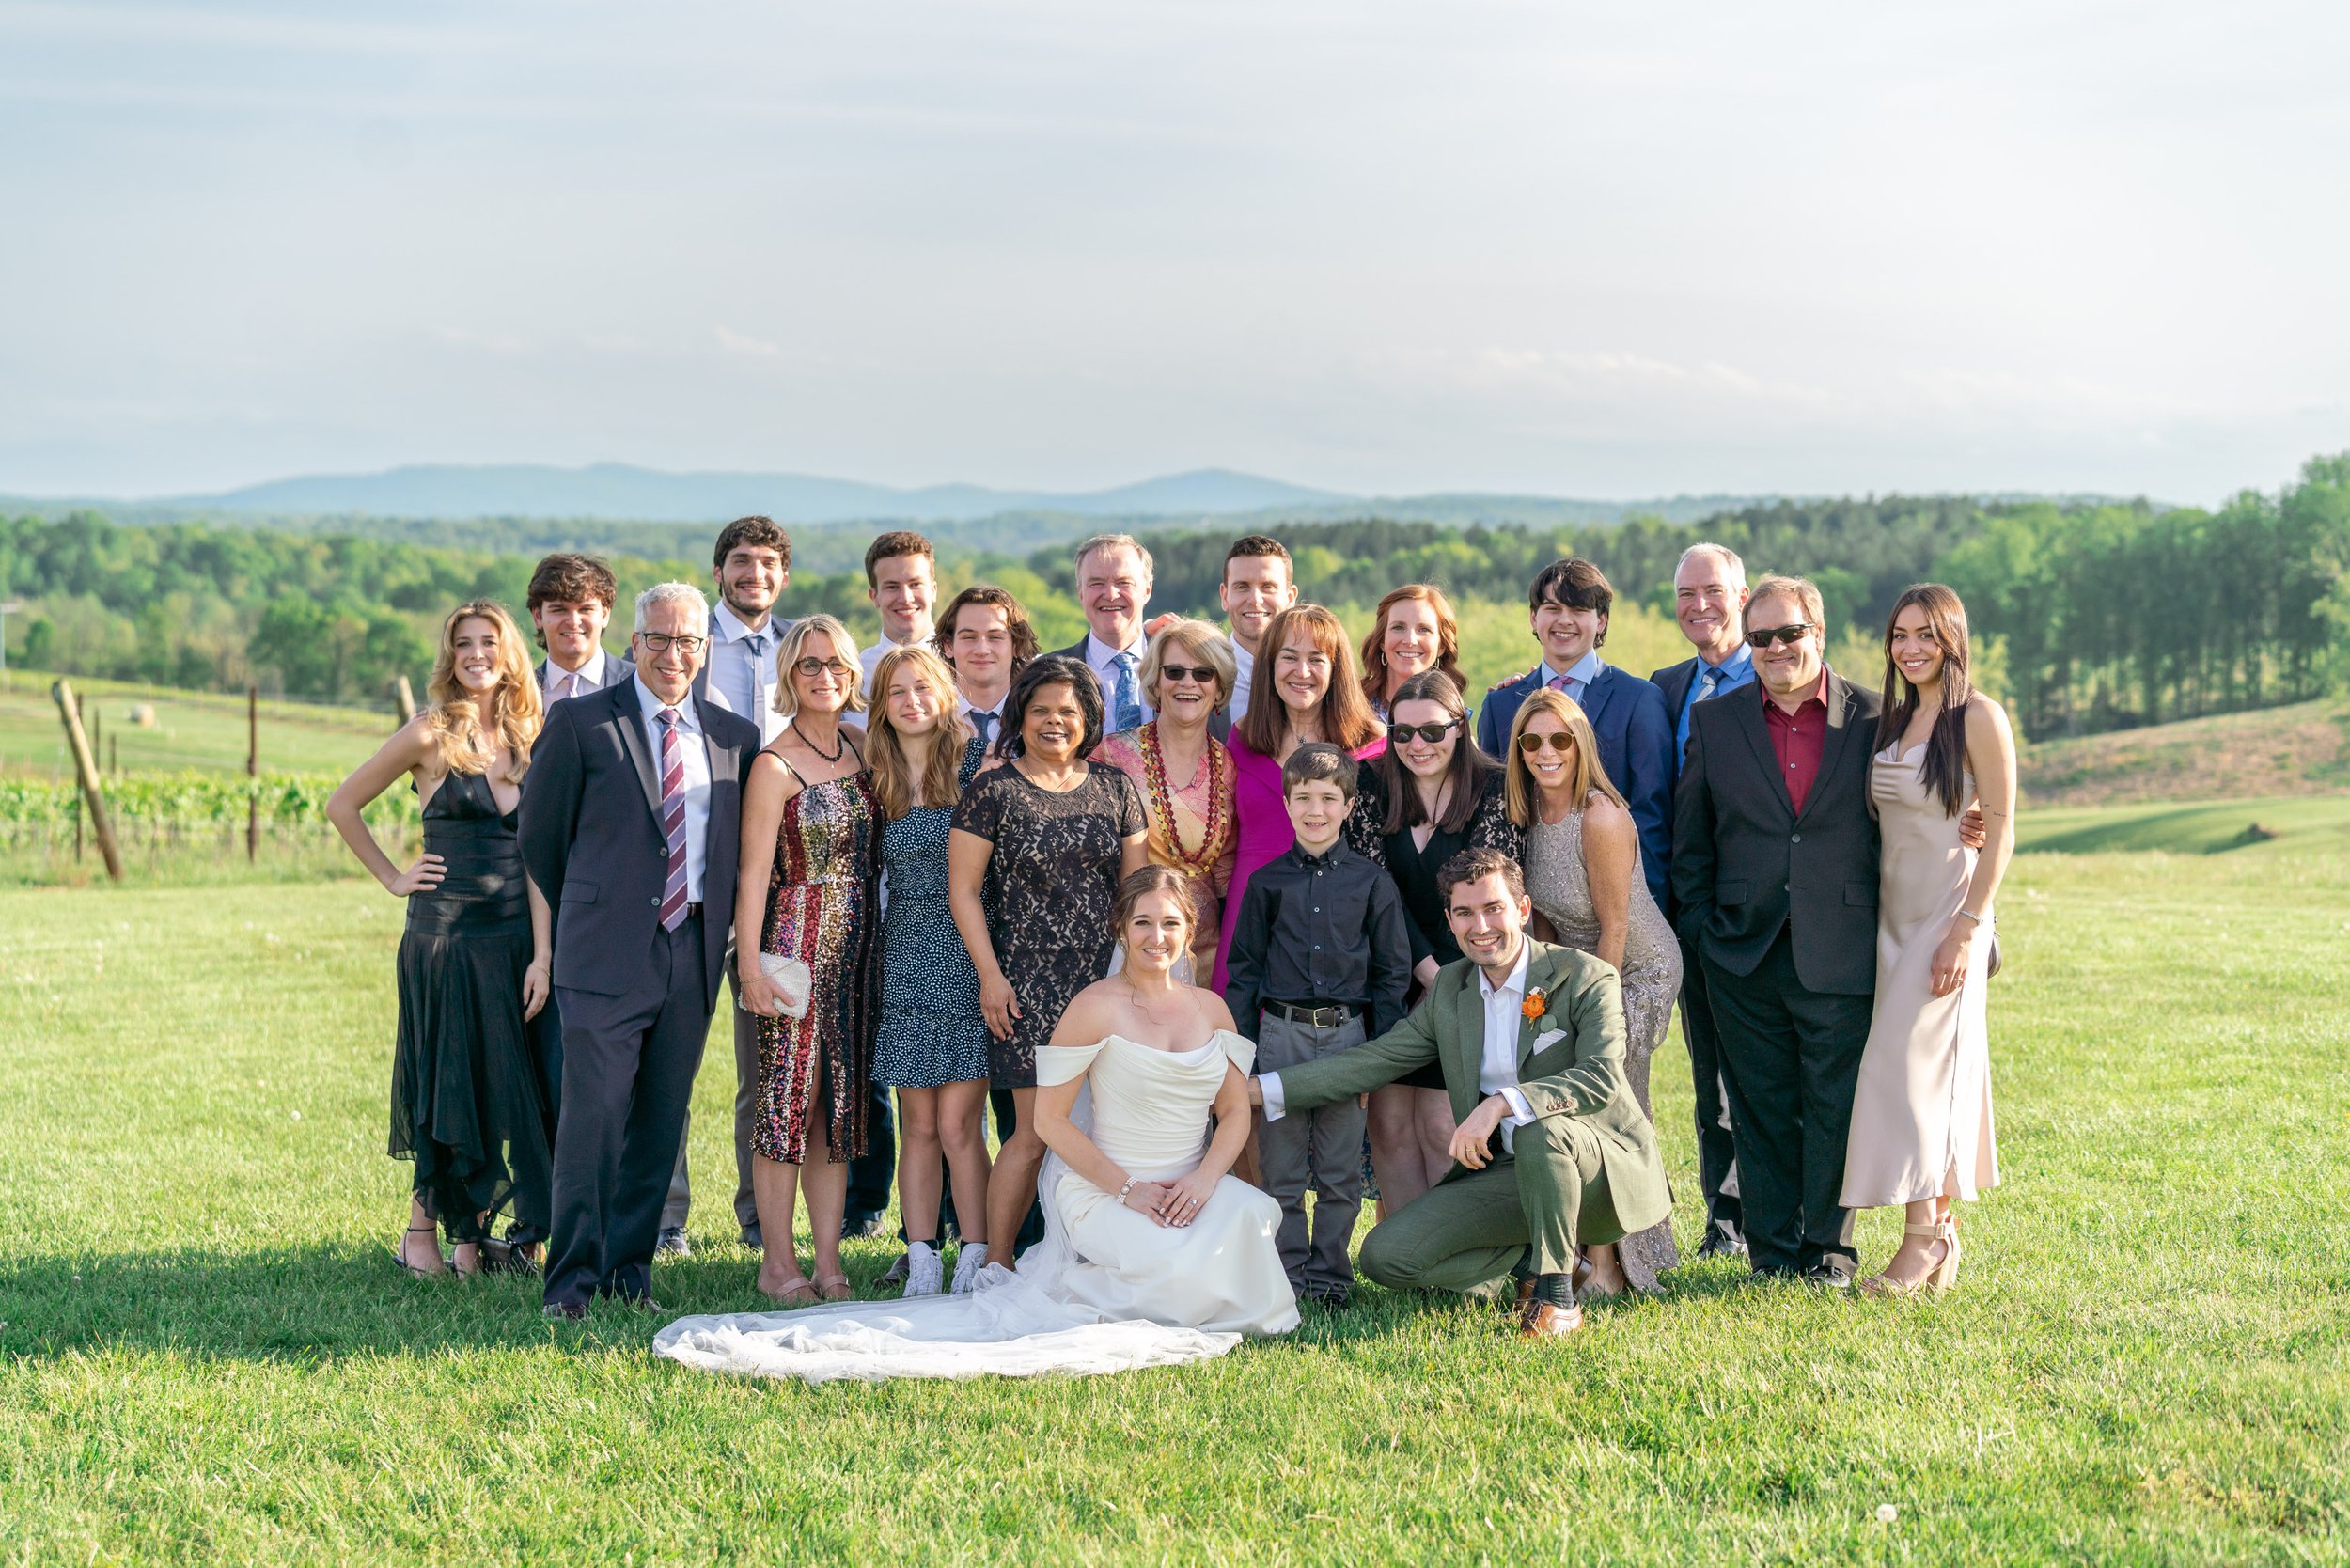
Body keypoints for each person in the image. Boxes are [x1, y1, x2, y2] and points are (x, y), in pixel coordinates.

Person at [650, 868, 1296, 1384]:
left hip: (1191, 1181)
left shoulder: (1213, 1011)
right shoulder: (1093, 1009)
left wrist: (1208, 1180)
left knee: (1244, 1215)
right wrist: (1131, 1189)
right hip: (1106, 1186)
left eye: (1172, 923)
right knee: (1167, 1259)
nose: (1158, 936)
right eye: (1144, 922)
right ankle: (1118, 1273)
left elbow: (1234, 1111)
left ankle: (1178, 1265)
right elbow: (1049, 1121)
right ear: (1121, 930)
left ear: (1191, 931)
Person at [1245, 848, 1672, 1338]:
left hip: (1595, 1171)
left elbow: (1600, 1077)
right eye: (1465, 913)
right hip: (1510, 1174)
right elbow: (1375, 1060)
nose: (1481, 926)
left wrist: (1500, 1104)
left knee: (1540, 1131)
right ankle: (1528, 1267)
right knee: (1385, 1257)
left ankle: (1558, 1298)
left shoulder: (1585, 976)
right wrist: (1260, 1090)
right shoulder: (1452, 987)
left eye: (1494, 908)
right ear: (1449, 921)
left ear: (1523, 910)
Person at [520, 582, 760, 1317]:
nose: (673, 654)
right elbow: (539, 837)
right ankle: (570, 1285)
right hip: (603, 954)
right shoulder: (581, 722)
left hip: (690, 954)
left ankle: (630, 1277)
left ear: (705, 649)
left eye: (688, 641)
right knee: (592, 1121)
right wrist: (599, 907)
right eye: (659, 639)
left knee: (660, 1119)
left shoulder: (733, 737)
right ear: (635, 642)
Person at [327, 601, 555, 1281]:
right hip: (444, 939)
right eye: (464, 644)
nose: (477, 654)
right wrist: (394, 876)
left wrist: (543, 953)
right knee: (446, 1080)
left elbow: (539, 859)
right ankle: (420, 1231)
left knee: (497, 1084)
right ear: (450, 657)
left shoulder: (528, 735)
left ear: (510, 653)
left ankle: (470, 1239)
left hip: (513, 937)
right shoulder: (429, 732)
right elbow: (343, 803)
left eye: (489, 642)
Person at [1670, 573, 1880, 1287]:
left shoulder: (1875, 720)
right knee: (1758, 1106)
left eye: (1789, 633)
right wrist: (1703, 929)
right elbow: (1690, 842)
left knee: (1832, 1106)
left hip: (1843, 945)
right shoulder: (1716, 722)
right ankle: (1770, 1251)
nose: (1775, 648)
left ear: (1818, 632)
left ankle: (1829, 1250)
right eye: (1760, 637)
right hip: (1740, 948)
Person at [948, 655, 1150, 1274]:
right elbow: (963, 891)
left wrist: (1139, 986)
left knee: (1111, 1131)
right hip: (1024, 990)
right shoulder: (992, 791)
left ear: (1089, 718)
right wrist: (990, 976)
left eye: (1069, 711)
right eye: (1041, 711)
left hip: (1105, 987)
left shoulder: (1116, 788)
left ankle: (1101, 1257)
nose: (1055, 722)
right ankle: (996, 1263)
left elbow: (1137, 892)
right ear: (1021, 716)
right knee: (1035, 1133)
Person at [1843, 585, 2015, 1295]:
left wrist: (1967, 929)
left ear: (1953, 639)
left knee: (1911, 1074)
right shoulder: (1891, 719)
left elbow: (2001, 826)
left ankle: (1923, 1243)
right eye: (1900, 635)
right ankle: (1938, 1237)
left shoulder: (1980, 716)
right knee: (1915, 1075)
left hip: (1946, 917)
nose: (1911, 648)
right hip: (1888, 918)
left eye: (1925, 635)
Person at [1508, 687, 1684, 1294]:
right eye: (1533, 741)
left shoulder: (1602, 816)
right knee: (1569, 1096)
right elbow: (1552, 921)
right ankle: (1590, 1254)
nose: (1546, 752)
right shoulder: (1528, 810)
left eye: (1560, 739)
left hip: (1635, 970)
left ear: (1581, 744)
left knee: (1603, 1100)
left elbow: (1615, 926)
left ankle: (1611, 1266)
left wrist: (1589, 1014)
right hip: (1578, 969)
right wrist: (1544, 991)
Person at [1222, 745, 1411, 1306]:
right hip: (1281, 1036)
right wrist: (1244, 1054)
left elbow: (1392, 974)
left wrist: (1376, 1058)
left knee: (1339, 1171)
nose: (1315, 809)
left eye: (1328, 798)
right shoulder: (1266, 883)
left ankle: (1330, 1277)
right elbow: (1243, 973)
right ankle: (1289, 1275)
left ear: (1349, 805)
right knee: (1280, 1170)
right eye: (1303, 797)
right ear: (1285, 803)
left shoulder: (1372, 883)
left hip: (1348, 1040)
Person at [733, 614, 883, 1305]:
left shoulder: (861, 746)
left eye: (836, 665)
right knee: (787, 1103)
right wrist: (751, 968)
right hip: (792, 943)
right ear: (789, 677)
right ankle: (776, 1262)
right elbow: (752, 873)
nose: (825, 677)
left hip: (857, 950)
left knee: (838, 1109)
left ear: (854, 674)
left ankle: (828, 1262)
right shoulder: (774, 764)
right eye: (809, 665)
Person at [675, 514, 795, 1257]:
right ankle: (665, 1220)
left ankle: (759, 1218)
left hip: (781, 887)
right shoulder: (686, 644)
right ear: (720, 571)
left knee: (765, 1064)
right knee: (673, 1064)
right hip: (691, 880)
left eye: (768, 564)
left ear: (784, 576)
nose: (755, 575)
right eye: (742, 562)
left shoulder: (806, 652)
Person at [1359, 669, 1519, 1216]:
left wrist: (1450, 980)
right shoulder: (1370, 786)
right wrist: (1427, 973)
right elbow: (1376, 889)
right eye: (1401, 734)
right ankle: (1406, 1263)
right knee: (1388, 1124)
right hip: (1391, 973)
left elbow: (1484, 887)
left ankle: (1455, 1255)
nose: (1416, 745)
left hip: (1471, 974)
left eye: (1431, 731)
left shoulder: (1494, 787)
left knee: (1440, 1122)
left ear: (1460, 726)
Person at [867, 644, 995, 1297]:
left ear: (945, 693)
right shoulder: (875, 774)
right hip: (904, 954)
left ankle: (976, 1251)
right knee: (916, 1124)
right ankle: (921, 1256)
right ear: (881, 707)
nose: (912, 701)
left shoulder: (977, 763)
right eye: (897, 692)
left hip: (969, 952)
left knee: (958, 1125)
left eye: (923, 688)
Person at [1646, 541, 1756, 1261]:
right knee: (1709, 1076)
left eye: (1712, 591)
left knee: (1762, 1073)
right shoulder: (1665, 686)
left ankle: (1772, 1213)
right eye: (1686, 593)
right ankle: (1725, 1221)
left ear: (1740, 595)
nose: (1699, 606)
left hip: (1763, 914)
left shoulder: (1777, 680)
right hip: (1687, 912)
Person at [1476, 558, 1672, 909]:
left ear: (1601, 620)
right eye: (1552, 608)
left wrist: (1642, 905)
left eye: (1579, 609)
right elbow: (1496, 813)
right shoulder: (1501, 705)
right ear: (1534, 618)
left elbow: (1651, 814)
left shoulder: (1640, 699)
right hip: (1531, 906)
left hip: (1617, 901)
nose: (1564, 620)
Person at [1212, 603, 1386, 993]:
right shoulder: (1242, 737)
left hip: (1341, 915)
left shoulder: (1372, 742)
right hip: (1251, 910)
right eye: (1289, 657)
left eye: (1316, 659)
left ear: (1336, 668)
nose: (1302, 672)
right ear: (1269, 665)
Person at [1092, 619, 1239, 980]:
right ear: (1156, 683)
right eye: (1174, 671)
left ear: (1219, 687)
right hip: (1132, 942)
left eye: (1204, 673)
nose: (1188, 683)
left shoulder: (1230, 766)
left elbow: (1227, 869)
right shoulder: (1112, 755)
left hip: (1204, 948)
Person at [1046, 534, 1154, 735]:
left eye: (1124, 582)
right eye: (1096, 583)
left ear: (1147, 590)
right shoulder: (1046, 672)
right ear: (1080, 593)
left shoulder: (1181, 665)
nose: (1111, 594)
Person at [933, 583, 1039, 755]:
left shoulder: (1040, 716)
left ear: (1017, 646)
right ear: (948, 645)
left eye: (995, 637)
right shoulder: (926, 718)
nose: (982, 650)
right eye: (969, 637)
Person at [528, 553, 632, 705]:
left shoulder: (638, 684)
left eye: (585, 609)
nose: (573, 622)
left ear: (605, 615)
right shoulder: (515, 692)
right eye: (559, 610)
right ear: (538, 617)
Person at [1217, 536, 1299, 724]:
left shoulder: (1313, 678)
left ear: (1290, 597)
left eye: (1268, 587)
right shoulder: (1198, 676)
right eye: (1242, 587)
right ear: (1224, 596)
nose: (1255, 599)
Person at [1358, 584, 1466, 725]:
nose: (1410, 640)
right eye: (1398, 627)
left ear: (1442, 646)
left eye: (1424, 629)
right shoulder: (1352, 709)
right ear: (1382, 641)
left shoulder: (1454, 718)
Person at [857, 531, 940, 698]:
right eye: (892, 587)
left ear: (933, 590)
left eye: (915, 584)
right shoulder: (855, 675)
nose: (906, 598)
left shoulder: (965, 664)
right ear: (874, 596)